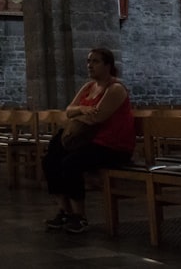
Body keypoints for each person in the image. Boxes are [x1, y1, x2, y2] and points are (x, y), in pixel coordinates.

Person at [42, 47, 135, 234]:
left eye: (95, 61)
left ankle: (80, 216)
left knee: (70, 163)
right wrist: (82, 110)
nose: (90, 65)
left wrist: (79, 113)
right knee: (51, 157)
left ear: (108, 65)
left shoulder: (115, 88)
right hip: (89, 141)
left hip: (113, 146)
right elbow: (68, 111)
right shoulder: (88, 87)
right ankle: (65, 211)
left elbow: (98, 118)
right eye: (88, 61)